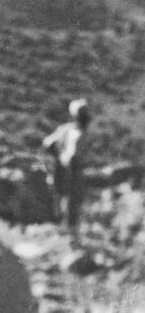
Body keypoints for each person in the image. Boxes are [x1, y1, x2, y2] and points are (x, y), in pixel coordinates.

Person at [43, 98, 92, 233]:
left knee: (69, 201)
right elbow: (49, 144)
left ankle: (67, 229)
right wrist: (60, 155)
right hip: (69, 169)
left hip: (69, 168)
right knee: (70, 201)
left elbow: (47, 143)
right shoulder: (70, 131)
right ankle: (67, 231)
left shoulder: (70, 130)